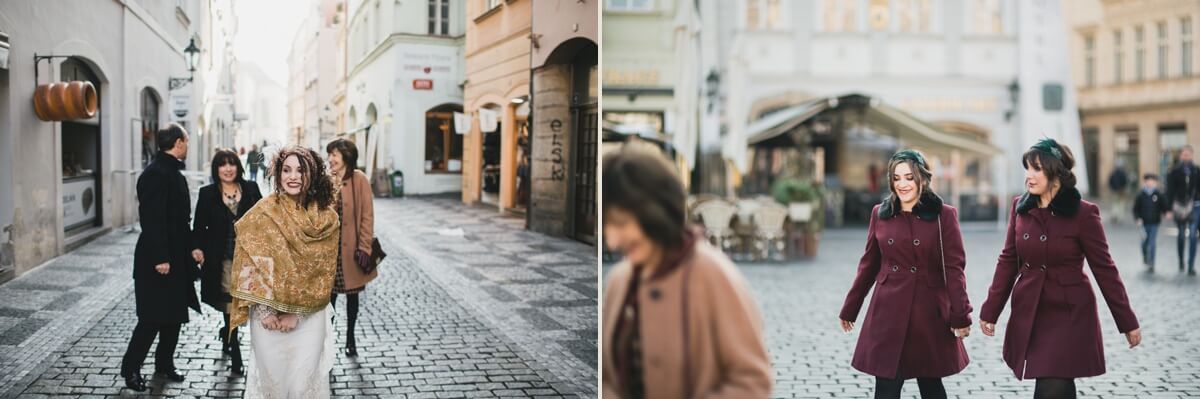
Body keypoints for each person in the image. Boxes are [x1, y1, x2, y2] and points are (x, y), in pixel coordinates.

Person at [600, 142, 773, 398]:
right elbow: (606, 377)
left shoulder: (712, 275)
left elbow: (752, 381)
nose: (612, 240)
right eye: (607, 225)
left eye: (621, 223)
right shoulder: (620, 280)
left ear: (655, 213)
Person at [980, 138, 1141, 399]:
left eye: (1037, 169)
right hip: (1032, 311)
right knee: (1058, 386)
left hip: (1070, 313)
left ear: (1055, 173)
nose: (1029, 176)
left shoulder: (1084, 213)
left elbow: (1105, 269)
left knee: (1051, 385)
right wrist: (991, 309)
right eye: (1027, 169)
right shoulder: (1020, 209)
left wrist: (1127, 321)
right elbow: (1009, 260)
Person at [839, 150, 972, 399]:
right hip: (888, 311)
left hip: (928, 312)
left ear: (922, 178)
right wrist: (851, 307)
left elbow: (954, 269)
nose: (902, 184)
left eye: (909, 177)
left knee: (931, 386)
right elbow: (868, 265)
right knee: (886, 388)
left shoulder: (944, 215)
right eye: (896, 178)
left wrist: (960, 315)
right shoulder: (880, 213)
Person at [229, 146, 340, 397]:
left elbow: (322, 273)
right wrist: (267, 310)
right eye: (287, 170)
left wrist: (295, 314)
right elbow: (251, 260)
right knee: (274, 385)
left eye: (301, 170)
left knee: (303, 384)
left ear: (313, 174)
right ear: (278, 174)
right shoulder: (263, 212)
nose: (293, 176)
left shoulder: (327, 219)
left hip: (309, 318)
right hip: (267, 318)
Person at [121, 123, 201, 392]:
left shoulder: (172, 172)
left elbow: (180, 221)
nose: (187, 146)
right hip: (158, 261)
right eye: (186, 141)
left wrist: (191, 249)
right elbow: (152, 220)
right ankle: (131, 369)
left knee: (174, 315)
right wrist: (161, 257)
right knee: (152, 318)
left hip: (176, 257)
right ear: (178, 142)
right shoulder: (156, 173)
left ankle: (164, 364)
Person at [192, 148, 263, 376]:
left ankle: (227, 334)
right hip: (222, 259)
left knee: (247, 304)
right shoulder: (207, 193)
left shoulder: (251, 190)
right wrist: (197, 248)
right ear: (216, 169)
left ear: (238, 166)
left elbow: (265, 219)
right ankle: (235, 352)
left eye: (231, 163)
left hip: (249, 260)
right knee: (230, 306)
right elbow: (199, 226)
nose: (228, 168)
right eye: (222, 164)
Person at [325, 138, 377, 357]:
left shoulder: (360, 180)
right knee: (329, 301)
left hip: (352, 251)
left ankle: (350, 337)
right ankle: (327, 341)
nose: (330, 159)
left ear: (346, 156)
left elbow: (367, 215)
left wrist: (364, 247)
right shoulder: (326, 180)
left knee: (352, 298)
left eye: (334, 154)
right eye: (329, 154)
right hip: (329, 252)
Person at [1166, 145, 1200, 274]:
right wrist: (1168, 209)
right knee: (1180, 235)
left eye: (1188, 154)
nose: (1186, 156)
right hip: (1179, 207)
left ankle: (1191, 265)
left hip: (1195, 206)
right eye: (1184, 154)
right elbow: (1170, 191)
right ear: (1181, 155)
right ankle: (1181, 260)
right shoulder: (1174, 171)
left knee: (1193, 236)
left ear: (1192, 155)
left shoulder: (1197, 170)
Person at [1132, 173, 1169, 272]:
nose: (1150, 183)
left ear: (1155, 183)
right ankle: (1145, 256)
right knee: (1144, 243)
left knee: (1152, 242)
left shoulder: (1158, 194)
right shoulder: (1141, 195)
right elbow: (1135, 209)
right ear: (1145, 182)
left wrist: (1166, 213)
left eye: (1152, 181)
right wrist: (1138, 218)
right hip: (1143, 223)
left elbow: (1164, 205)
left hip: (1154, 223)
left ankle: (1151, 263)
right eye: (1148, 181)